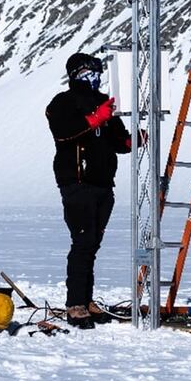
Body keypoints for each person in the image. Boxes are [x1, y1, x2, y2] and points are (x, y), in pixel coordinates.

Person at [45, 52, 134, 329]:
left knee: (92, 244)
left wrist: (139, 138)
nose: (93, 76)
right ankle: (75, 303)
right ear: (75, 74)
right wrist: (96, 118)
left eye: (96, 71)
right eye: (88, 71)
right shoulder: (63, 102)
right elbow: (63, 132)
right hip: (77, 182)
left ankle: (86, 298)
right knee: (82, 242)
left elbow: (120, 142)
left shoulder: (102, 102)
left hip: (103, 183)